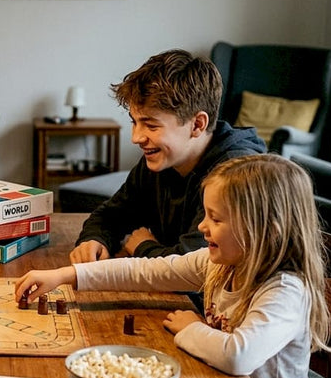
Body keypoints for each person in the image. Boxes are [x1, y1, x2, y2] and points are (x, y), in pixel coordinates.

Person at [16, 154, 329, 378]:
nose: (203, 226)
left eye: (216, 219)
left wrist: (192, 327)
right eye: (205, 214)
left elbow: (237, 356)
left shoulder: (286, 292)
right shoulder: (220, 263)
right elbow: (147, 271)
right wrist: (66, 276)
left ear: (268, 231)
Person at [70, 49, 266, 263]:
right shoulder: (161, 159)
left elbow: (196, 266)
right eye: (134, 122)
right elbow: (111, 214)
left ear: (197, 124)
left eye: (151, 126)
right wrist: (94, 239)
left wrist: (143, 246)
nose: (136, 138)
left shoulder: (235, 175)